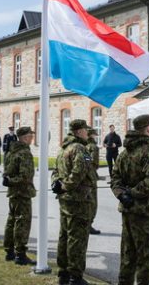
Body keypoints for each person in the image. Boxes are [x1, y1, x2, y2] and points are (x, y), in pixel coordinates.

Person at [111, 114, 149, 285]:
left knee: (128, 255)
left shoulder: (124, 153)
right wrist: (132, 193)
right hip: (145, 211)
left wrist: (122, 194)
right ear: (148, 129)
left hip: (128, 209)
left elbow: (115, 179)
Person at [54, 119, 97, 285]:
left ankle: (63, 273)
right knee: (77, 239)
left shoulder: (63, 148)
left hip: (65, 200)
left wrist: (58, 184)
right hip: (78, 200)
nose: (87, 133)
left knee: (64, 236)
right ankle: (75, 276)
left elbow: (56, 172)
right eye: (85, 130)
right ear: (79, 131)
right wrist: (66, 186)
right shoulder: (79, 148)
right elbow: (80, 171)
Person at [3, 126, 36, 266]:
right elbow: (25, 176)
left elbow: (7, 173)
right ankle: (20, 254)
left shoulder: (11, 151)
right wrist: (13, 181)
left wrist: (10, 181)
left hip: (13, 192)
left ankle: (9, 250)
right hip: (22, 192)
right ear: (24, 137)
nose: (32, 137)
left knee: (12, 221)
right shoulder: (24, 153)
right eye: (30, 135)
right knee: (22, 222)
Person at [86, 127, 102, 236]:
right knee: (92, 203)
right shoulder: (93, 147)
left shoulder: (81, 145)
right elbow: (95, 164)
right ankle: (89, 225)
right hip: (90, 177)